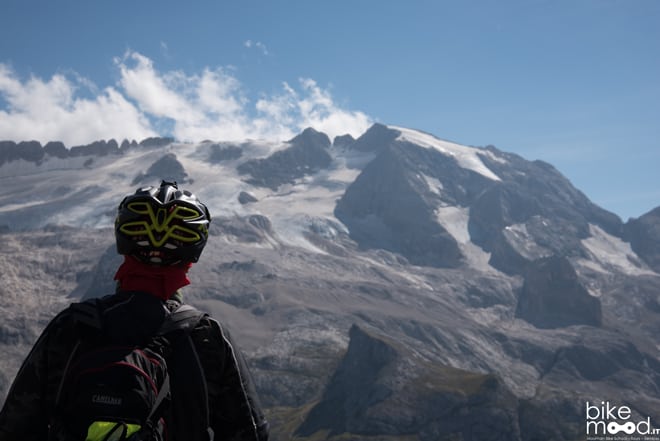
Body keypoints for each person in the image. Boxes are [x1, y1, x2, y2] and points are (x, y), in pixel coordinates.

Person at [0, 181, 269, 441]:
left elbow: (14, 426)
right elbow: (250, 434)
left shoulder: (71, 327)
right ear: (189, 259)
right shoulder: (207, 338)